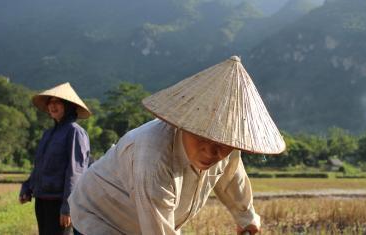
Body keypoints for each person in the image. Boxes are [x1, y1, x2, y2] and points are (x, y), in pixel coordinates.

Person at [69, 56, 286, 235]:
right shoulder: (152, 156)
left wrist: (246, 217)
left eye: (223, 145)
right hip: (101, 218)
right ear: (184, 124)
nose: (211, 151)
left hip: (152, 219)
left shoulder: (228, 143)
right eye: (202, 137)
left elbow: (231, 178)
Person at [19, 82, 92, 235]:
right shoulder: (48, 134)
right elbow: (40, 167)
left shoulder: (75, 132)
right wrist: (27, 187)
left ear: (68, 105)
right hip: (42, 200)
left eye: (57, 102)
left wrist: (67, 207)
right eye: (50, 102)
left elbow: (76, 172)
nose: (52, 106)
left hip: (59, 202)